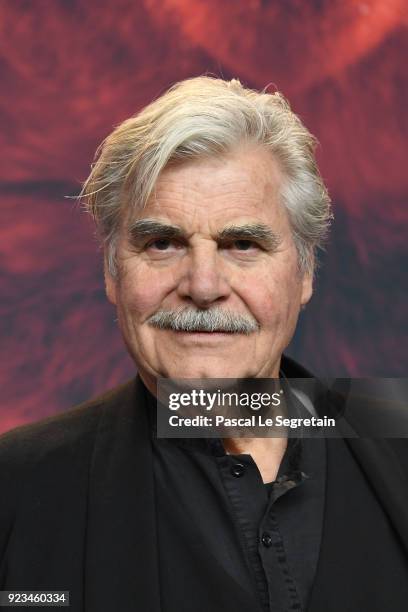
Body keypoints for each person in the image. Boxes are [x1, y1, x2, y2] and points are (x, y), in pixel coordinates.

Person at [0, 77, 407, 612]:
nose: (203, 285)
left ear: (305, 273)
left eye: (242, 244)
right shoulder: (15, 488)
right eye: (162, 243)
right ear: (111, 273)